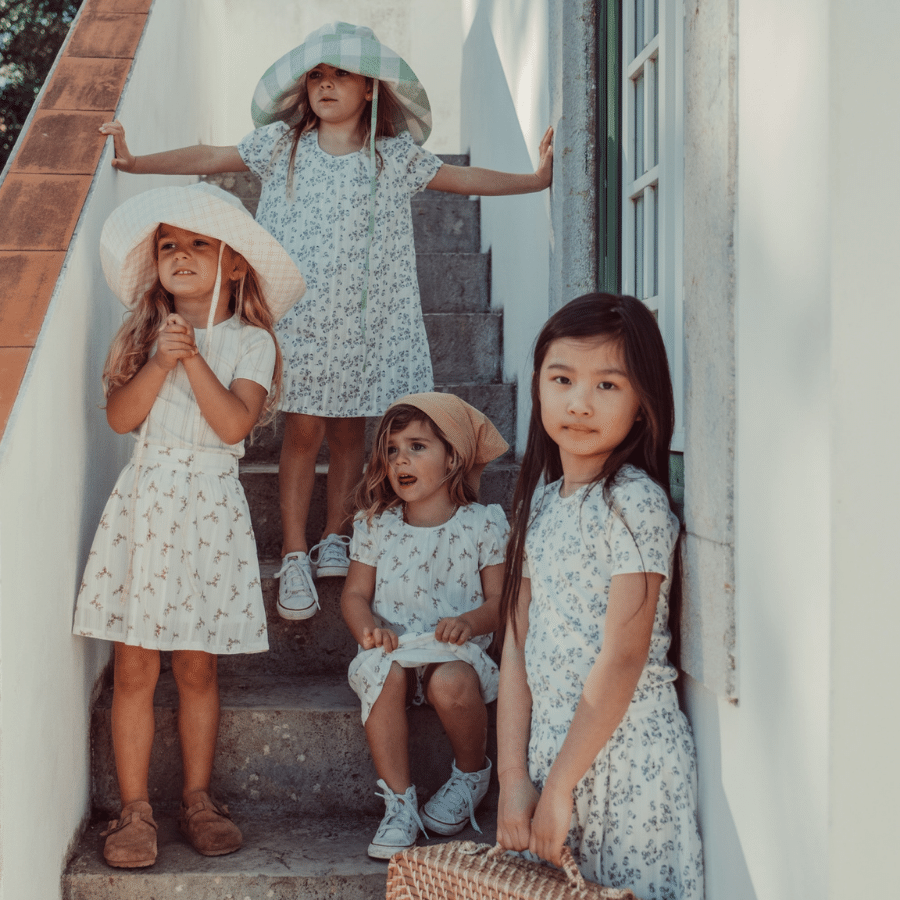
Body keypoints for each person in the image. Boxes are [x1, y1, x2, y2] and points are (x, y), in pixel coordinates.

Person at [97, 21, 553, 623]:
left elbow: (462, 178)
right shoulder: (282, 147)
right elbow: (210, 156)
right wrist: (135, 162)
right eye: (316, 75)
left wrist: (535, 181)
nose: (326, 84)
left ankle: (334, 536)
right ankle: (293, 552)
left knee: (349, 435)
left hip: (365, 324)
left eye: (341, 75)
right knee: (302, 432)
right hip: (300, 321)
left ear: (370, 89)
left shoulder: (392, 157)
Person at [72, 183, 305, 868]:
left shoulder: (252, 342)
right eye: (169, 244)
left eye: (199, 243)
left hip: (209, 507)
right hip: (147, 502)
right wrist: (161, 358)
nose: (180, 254)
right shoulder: (146, 333)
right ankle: (135, 810)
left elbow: (233, 424)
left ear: (234, 265)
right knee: (134, 665)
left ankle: (198, 799)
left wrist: (195, 357)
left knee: (198, 665)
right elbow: (122, 418)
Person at [495, 294, 704, 899]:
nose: (580, 403)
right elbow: (515, 648)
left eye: (608, 385)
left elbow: (623, 656)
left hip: (626, 762)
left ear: (642, 405)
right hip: (550, 760)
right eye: (562, 379)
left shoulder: (633, 504)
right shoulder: (538, 505)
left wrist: (561, 786)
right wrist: (513, 777)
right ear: (539, 384)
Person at [339, 393, 509, 859]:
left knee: (451, 684)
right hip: (392, 645)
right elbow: (354, 595)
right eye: (392, 450)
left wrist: (470, 622)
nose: (400, 460)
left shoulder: (482, 524)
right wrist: (368, 629)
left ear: (452, 457)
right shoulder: (377, 524)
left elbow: (501, 602)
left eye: (417, 447)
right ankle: (399, 803)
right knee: (383, 675)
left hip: (453, 649)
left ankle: (470, 773)